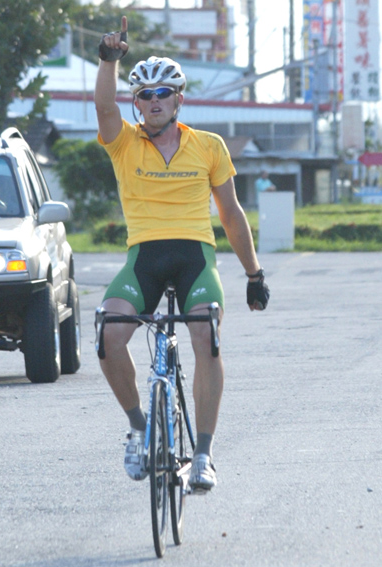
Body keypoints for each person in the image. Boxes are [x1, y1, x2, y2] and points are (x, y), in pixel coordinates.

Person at [94, 16, 270, 492]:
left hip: (195, 257)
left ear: (178, 99)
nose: (153, 102)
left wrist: (254, 274)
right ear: (138, 103)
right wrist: (109, 60)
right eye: (144, 96)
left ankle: (204, 456)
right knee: (108, 333)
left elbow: (231, 215)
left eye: (162, 94)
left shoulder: (208, 146)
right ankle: (138, 428)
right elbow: (104, 106)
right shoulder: (123, 142)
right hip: (144, 257)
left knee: (205, 330)